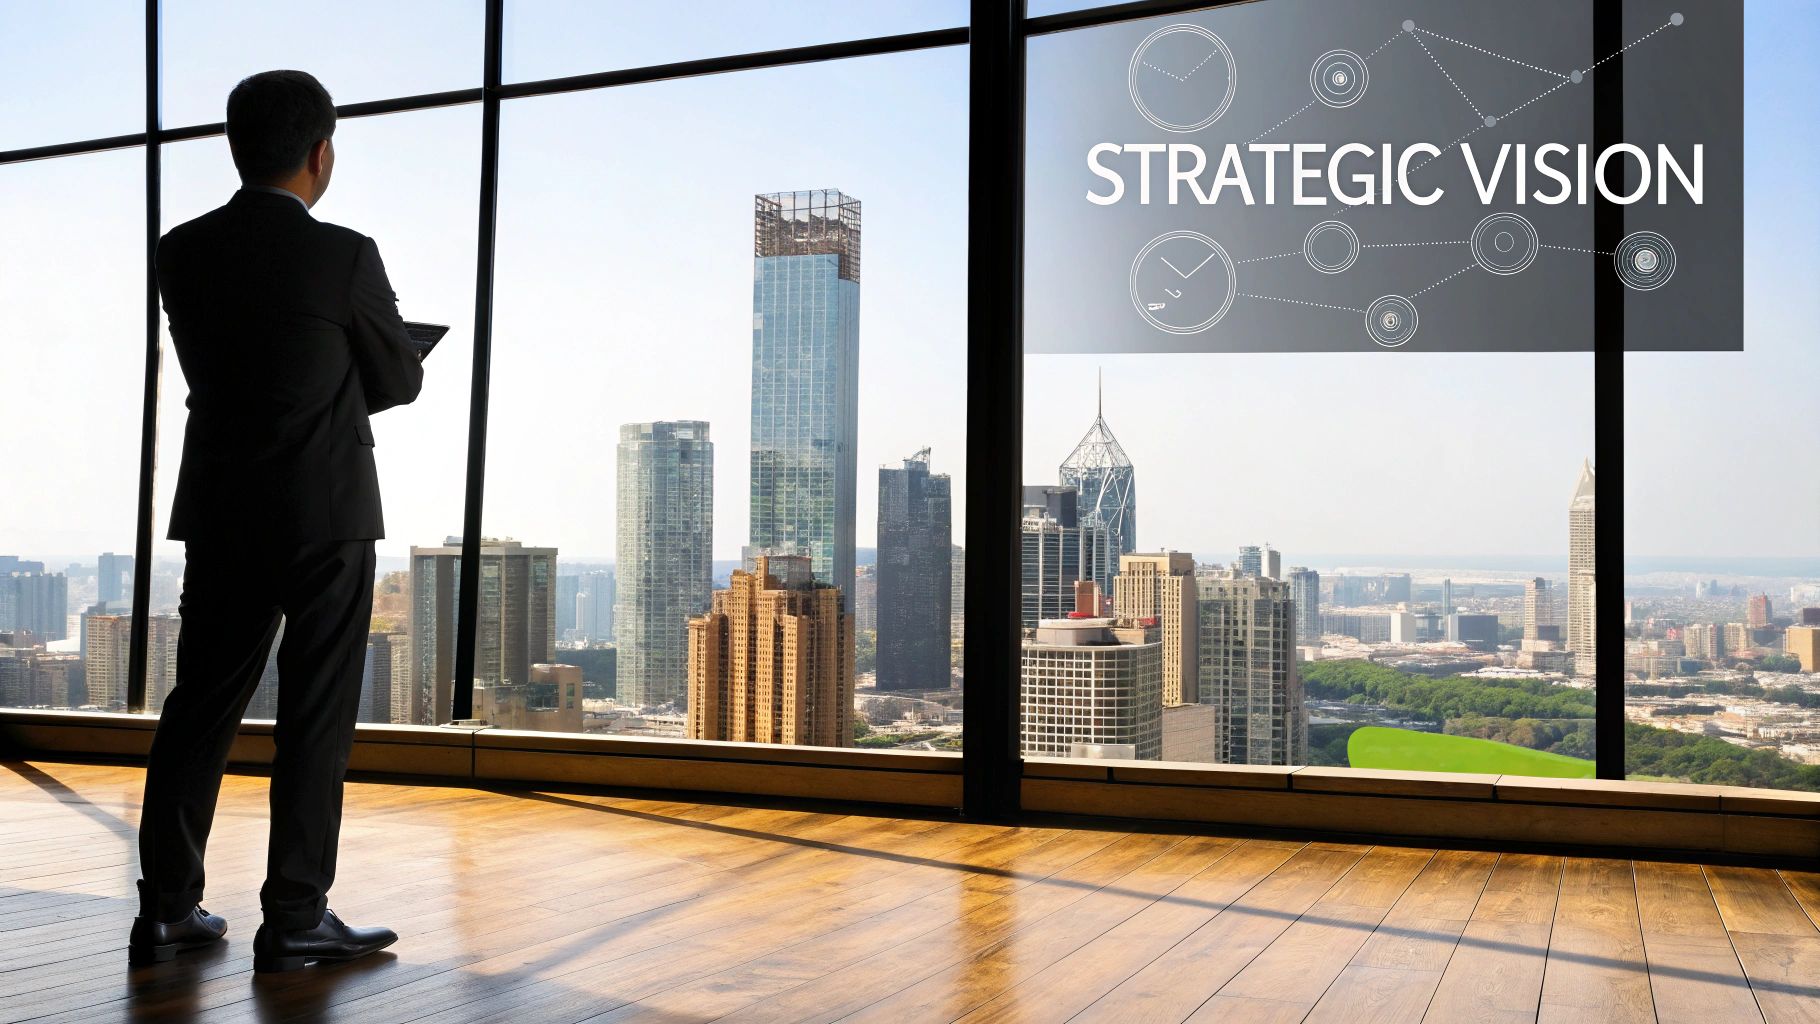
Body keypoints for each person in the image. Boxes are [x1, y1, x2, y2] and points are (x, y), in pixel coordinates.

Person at [129, 70, 423, 973]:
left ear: (234, 147)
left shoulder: (180, 251)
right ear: (320, 152)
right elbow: (398, 380)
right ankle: (296, 913)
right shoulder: (345, 255)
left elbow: (232, 367)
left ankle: (169, 911)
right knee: (316, 715)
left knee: (198, 710)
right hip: (325, 513)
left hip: (221, 510)